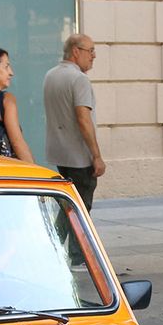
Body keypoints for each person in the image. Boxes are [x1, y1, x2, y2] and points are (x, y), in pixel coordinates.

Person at [43, 33, 106, 208]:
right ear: (76, 51)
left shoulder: (50, 75)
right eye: (91, 50)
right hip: (79, 158)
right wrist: (97, 156)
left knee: (67, 208)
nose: (94, 56)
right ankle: (73, 237)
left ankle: (62, 235)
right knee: (81, 209)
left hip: (59, 155)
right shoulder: (80, 79)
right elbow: (83, 120)